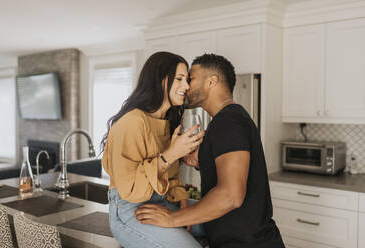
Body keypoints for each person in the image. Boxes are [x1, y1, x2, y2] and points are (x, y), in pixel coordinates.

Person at [135, 54, 285, 248]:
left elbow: (231, 196)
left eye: (191, 79)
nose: (186, 86)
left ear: (211, 82)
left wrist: (173, 218)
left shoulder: (228, 122)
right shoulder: (228, 119)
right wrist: (202, 160)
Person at [101, 52, 205, 248]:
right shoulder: (132, 122)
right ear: (161, 80)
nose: (187, 86)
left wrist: (182, 203)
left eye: (187, 80)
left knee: (225, 222)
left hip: (165, 202)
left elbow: (171, 177)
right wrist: (173, 153)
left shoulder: (167, 121)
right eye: (180, 79)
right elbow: (130, 190)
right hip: (131, 210)